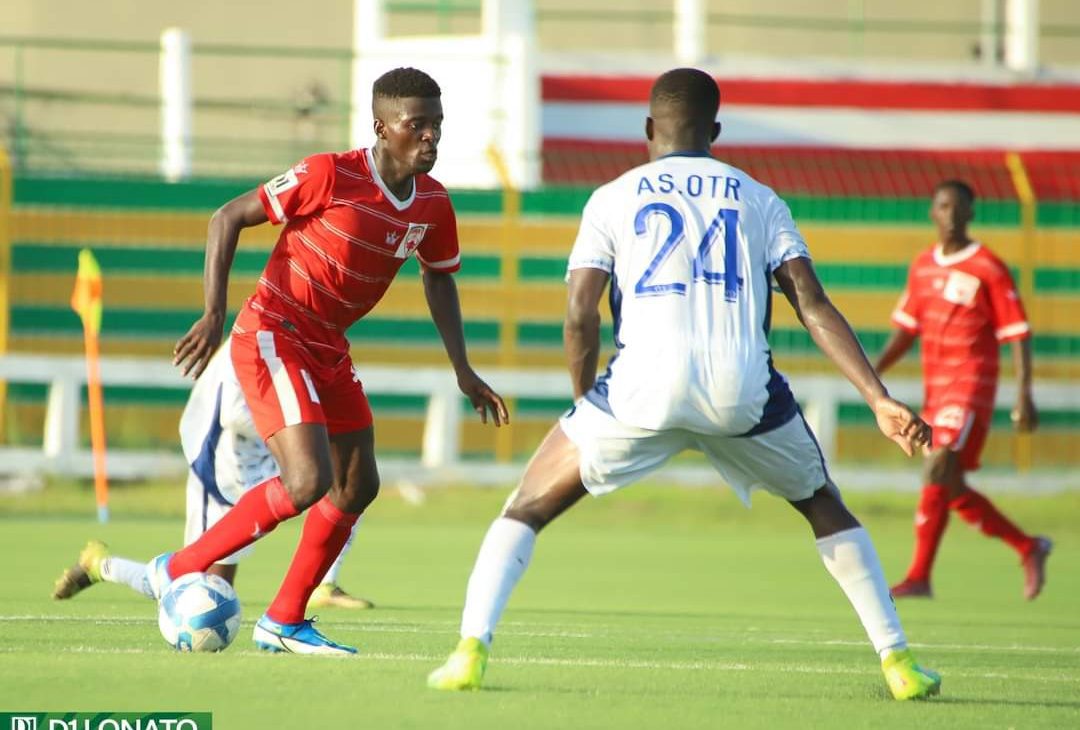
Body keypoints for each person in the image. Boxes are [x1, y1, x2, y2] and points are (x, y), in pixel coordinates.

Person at [427, 68, 940, 701]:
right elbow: (810, 302)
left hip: (640, 388)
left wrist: (586, 399)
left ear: (648, 128)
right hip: (742, 392)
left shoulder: (611, 197)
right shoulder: (758, 197)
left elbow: (580, 314)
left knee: (527, 509)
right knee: (824, 506)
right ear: (715, 131)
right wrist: (878, 398)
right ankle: (898, 664)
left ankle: (469, 650)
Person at [150, 67, 508, 655]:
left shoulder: (436, 206)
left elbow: (440, 281)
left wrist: (463, 370)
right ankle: (181, 566)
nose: (430, 138)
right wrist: (213, 314)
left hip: (327, 344)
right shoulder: (329, 174)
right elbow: (227, 217)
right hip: (273, 328)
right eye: (416, 126)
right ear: (380, 127)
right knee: (307, 480)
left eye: (436, 126)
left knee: (356, 481)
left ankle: (284, 619)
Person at [52, 341, 372, 609]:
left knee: (347, 484)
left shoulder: (305, 337)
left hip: (264, 460)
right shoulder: (255, 341)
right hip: (223, 467)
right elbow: (232, 411)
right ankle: (101, 566)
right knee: (204, 589)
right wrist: (300, 428)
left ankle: (325, 582)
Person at [875, 180, 1051, 601]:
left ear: (971, 214)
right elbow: (905, 331)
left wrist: (1023, 393)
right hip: (934, 392)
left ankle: (918, 576)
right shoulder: (922, 266)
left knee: (937, 468)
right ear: (932, 212)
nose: (951, 214)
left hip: (970, 387)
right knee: (949, 488)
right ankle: (1029, 546)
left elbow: (1017, 333)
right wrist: (872, 374)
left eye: (959, 207)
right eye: (943, 206)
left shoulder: (988, 266)